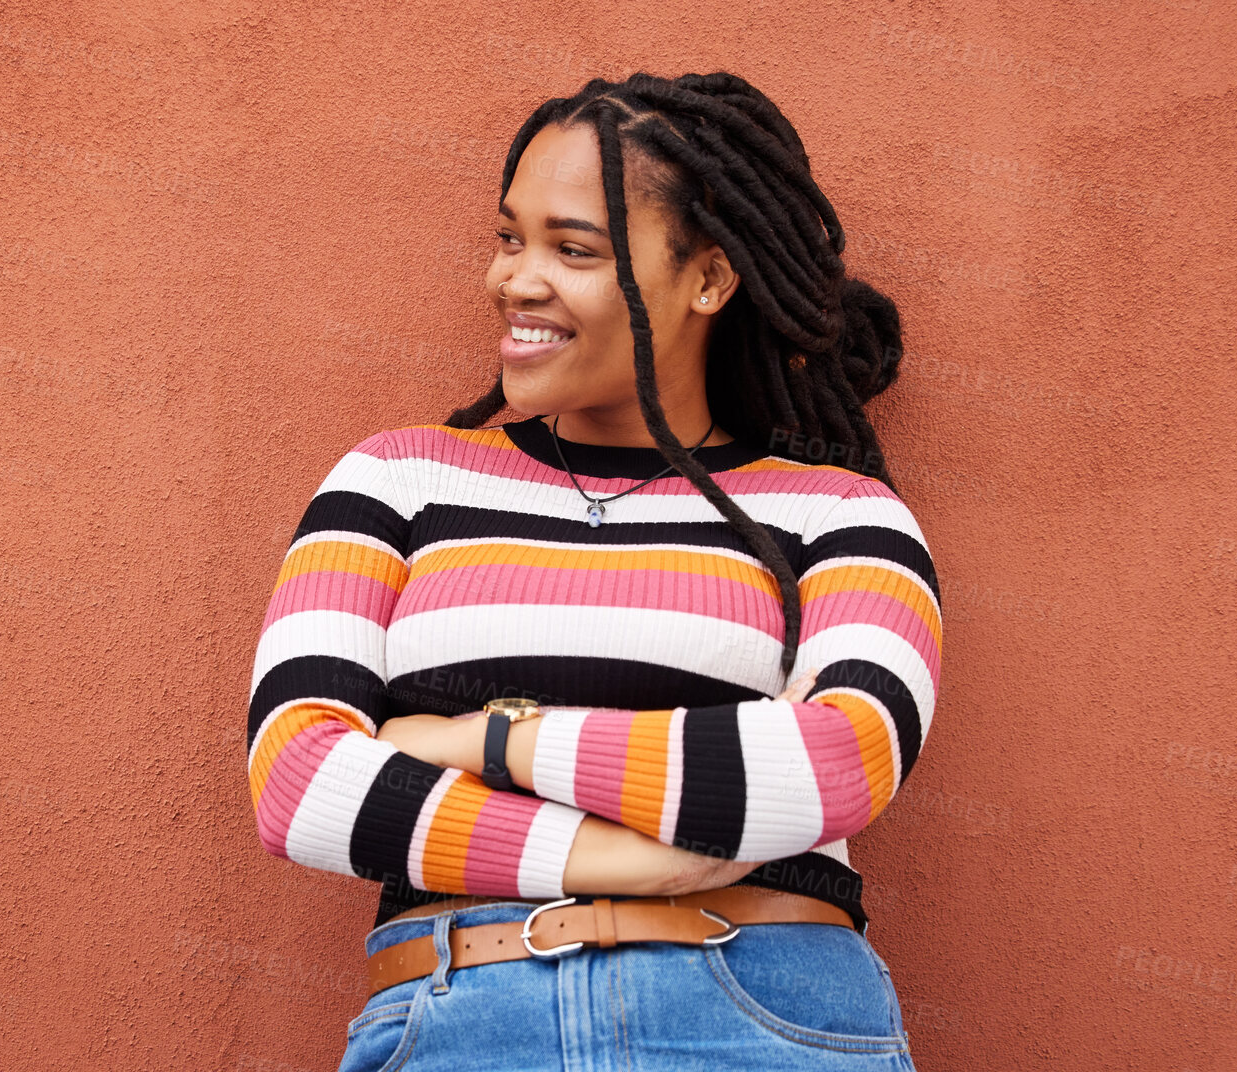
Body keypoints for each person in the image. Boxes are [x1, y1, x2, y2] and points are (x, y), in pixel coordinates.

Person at [246, 71, 940, 1070]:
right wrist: (616, 858)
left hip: (760, 1015)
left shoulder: (836, 512)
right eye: (508, 238)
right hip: (459, 1014)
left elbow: (829, 766)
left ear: (706, 280)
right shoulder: (394, 482)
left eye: (572, 249)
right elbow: (297, 781)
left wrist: (477, 736)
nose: (515, 279)